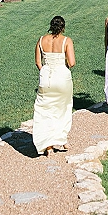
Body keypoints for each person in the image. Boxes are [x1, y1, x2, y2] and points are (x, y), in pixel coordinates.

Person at [33, 16, 75, 157]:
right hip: (62, 78)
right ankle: (62, 140)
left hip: (46, 78)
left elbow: (38, 62)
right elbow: (72, 62)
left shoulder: (41, 40)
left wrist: (45, 71)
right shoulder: (66, 41)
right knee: (63, 109)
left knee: (45, 111)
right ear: (63, 27)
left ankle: (48, 146)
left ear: (51, 26)